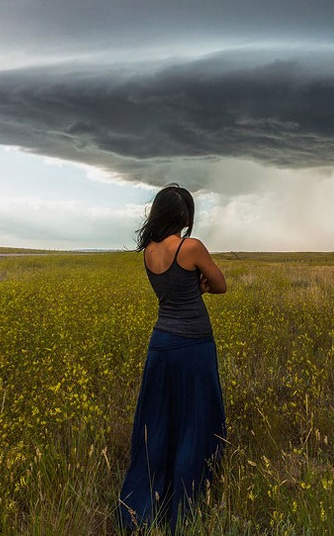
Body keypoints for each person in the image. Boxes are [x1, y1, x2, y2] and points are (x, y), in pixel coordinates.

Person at [115, 183, 228, 534]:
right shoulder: (190, 247)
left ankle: (144, 506)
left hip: (161, 344)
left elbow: (169, 290)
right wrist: (201, 286)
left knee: (159, 423)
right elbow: (220, 284)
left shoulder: (149, 252)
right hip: (194, 344)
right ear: (184, 216)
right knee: (194, 421)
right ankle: (186, 505)